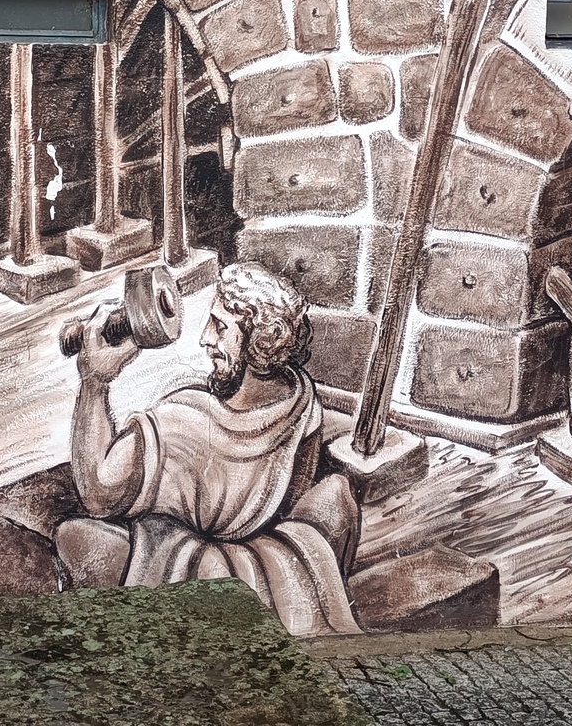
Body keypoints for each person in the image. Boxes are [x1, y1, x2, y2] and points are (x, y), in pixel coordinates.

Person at [58, 263, 361, 636]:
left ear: (258, 342)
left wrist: (95, 380)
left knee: (72, 536)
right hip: (264, 554)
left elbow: (97, 494)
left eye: (219, 326)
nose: (205, 338)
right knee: (338, 493)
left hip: (194, 569)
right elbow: (295, 491)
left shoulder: (182, 420)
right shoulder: (300, 401)